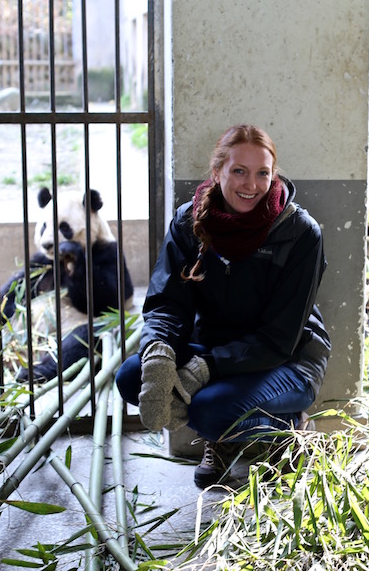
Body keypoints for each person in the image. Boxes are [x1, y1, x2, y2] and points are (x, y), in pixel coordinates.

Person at [115, 124, 331, 488]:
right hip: (214, 349)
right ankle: (227, 429)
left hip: (286, 359)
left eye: (263, 172)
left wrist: (203, 369)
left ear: (273, 174)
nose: (252, 185)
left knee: (210, 412)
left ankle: (288, 429)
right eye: (239, 171)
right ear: (217, 172)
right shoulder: (189, 221)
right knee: (131, 377)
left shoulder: (300, 232)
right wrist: (159, 354)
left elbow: (280, 336)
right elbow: (167, 301)